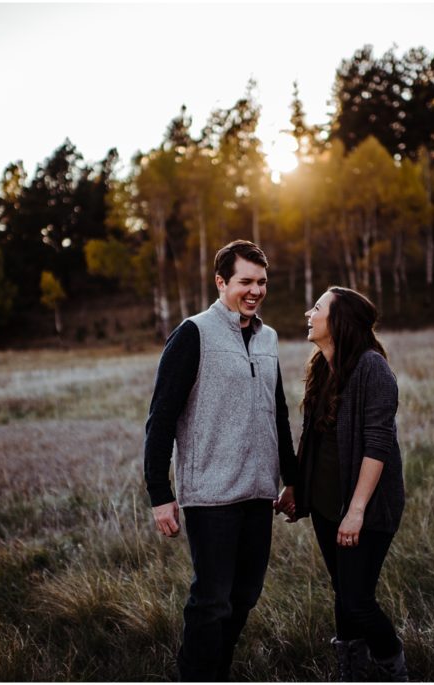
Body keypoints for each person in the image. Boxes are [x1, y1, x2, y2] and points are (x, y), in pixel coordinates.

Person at [144, 239, 298, 681]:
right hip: (211, 493)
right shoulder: (193, 334)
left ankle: (217, 669)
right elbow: (161, 418)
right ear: (221, 282)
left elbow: (279, 410)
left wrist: (291, 478)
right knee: (212, 600)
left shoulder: (267, 338)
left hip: (259, 491)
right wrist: (160, 492)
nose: (255, 291)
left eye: (262, 282)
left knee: (246, 594)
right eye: (245, 281)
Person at [280, 286, 408, 681]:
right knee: (344, 592)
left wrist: (355, 513)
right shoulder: (321, 366)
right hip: (324, 505)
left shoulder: (372, 368)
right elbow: (311, 436)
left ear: (338, 321)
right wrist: (296, 486)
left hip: (363, 511)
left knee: (356, 600)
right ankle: (352, 669)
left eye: (317, 308)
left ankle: (392, 667)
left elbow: (377, 444)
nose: (308, 313)